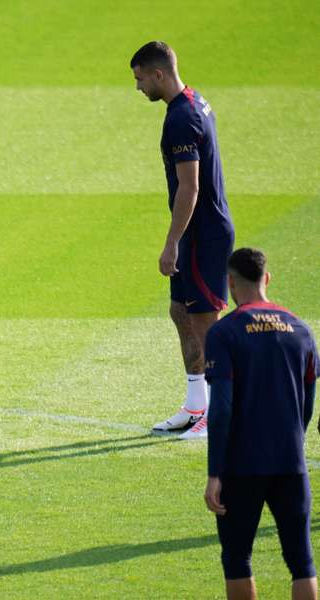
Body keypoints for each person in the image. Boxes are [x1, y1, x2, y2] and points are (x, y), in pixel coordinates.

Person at [130, 41, 236, 439]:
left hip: (202, 233)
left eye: (141, 79)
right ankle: (196, 405)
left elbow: (189, 188)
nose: (138, 87)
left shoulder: (181, 119)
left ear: (159, 74)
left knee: (207, 323)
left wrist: (172, 242)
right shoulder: (194, 102)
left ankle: (220, 414)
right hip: (198, 229)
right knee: (181, 311)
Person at [203, 248, 318, 600]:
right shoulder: (302, 331)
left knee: (237, 558)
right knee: (302, 561)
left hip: (241, 466)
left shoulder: (225, 333)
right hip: (290, 463)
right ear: (266, 279)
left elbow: (221, 409)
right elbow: (307, 406)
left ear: (231, 283)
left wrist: (214, 473)